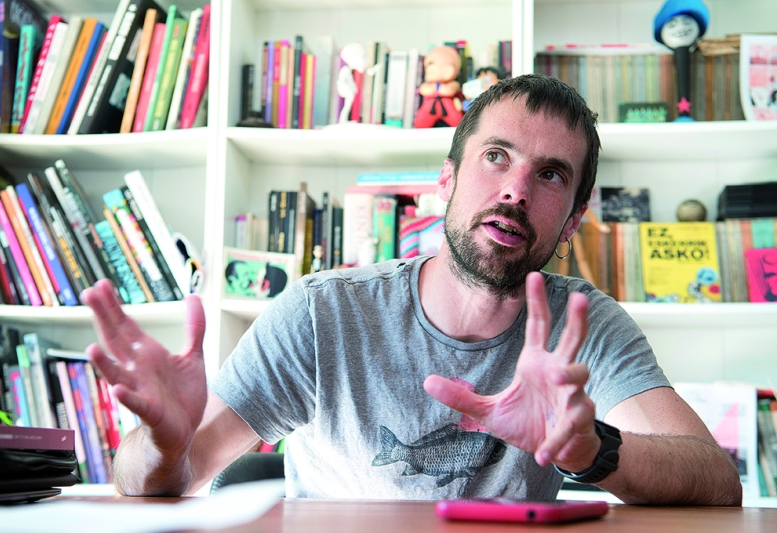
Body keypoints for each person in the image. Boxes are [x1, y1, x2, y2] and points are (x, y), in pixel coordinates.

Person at [82, 74, 742, 505]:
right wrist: (165, 444)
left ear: (572, 220)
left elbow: (717, 482)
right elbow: (162, 479)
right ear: (446, 180)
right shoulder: (320, 313)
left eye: (549, 175)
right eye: (496, 157)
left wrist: (591, 449)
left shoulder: (581, 323)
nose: (515, 190)